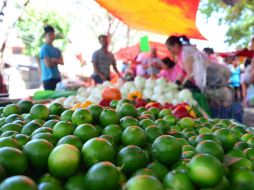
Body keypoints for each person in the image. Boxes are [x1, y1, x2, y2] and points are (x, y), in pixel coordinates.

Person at [39, 25, 63, 90]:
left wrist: (52, 60)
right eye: (49, 34)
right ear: (45, 36)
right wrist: (56, 61)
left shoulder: (57, 49)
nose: (52, 36)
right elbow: (48, 64)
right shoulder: (44, 49)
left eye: (53, 34)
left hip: (57, 77)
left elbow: (62, 62)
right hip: (48, 79)